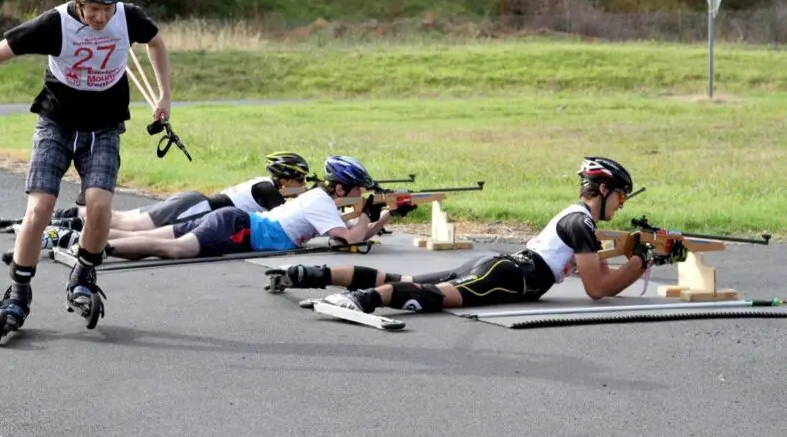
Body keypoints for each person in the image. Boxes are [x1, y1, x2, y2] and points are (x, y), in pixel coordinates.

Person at [0, 0, 172, 341]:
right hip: (56, 123)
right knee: (40, 208)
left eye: (107, 9)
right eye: (94, 9)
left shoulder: (129, 17)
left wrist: (165, 96)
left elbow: (156, 42)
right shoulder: (55, 24)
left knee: (100, 206)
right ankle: (18, 294)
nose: (101, 17)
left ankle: (83, 277)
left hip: (103, 127)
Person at [269, 156, 685, 316]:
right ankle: (361, 300)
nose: (623, 206)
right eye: (622, 198)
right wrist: (644, 262)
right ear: (606, 192)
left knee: (404, 283)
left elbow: (599, 272)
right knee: (435, 297)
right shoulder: (580, 223)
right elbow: (598, 289)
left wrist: (640, 253)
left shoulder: (580, 222)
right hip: (509, 275)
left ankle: (310, 273)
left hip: (508, 270)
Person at [100, 156, 415, 260]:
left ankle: (91, 240)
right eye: (359, 189)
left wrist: (385, 214)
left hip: (236, 222)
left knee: (162, 238)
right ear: (343, 188)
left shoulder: (321, 201)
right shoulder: (320, 201)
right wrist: (368, 213)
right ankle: (102, 248)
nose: (362, 194)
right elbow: (348, 242)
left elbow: (350, 234)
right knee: (171, 248)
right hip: (242, 230)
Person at [38, 152, 312, 247]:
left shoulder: (266, 184)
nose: (302, 186)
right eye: (300, 180)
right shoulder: (268, 190)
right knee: (133, 227)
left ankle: (64, 220)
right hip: (196, 208)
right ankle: (66, 232)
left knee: (125, 218)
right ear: (285, 179)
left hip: (193, 202)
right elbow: (295, 205)